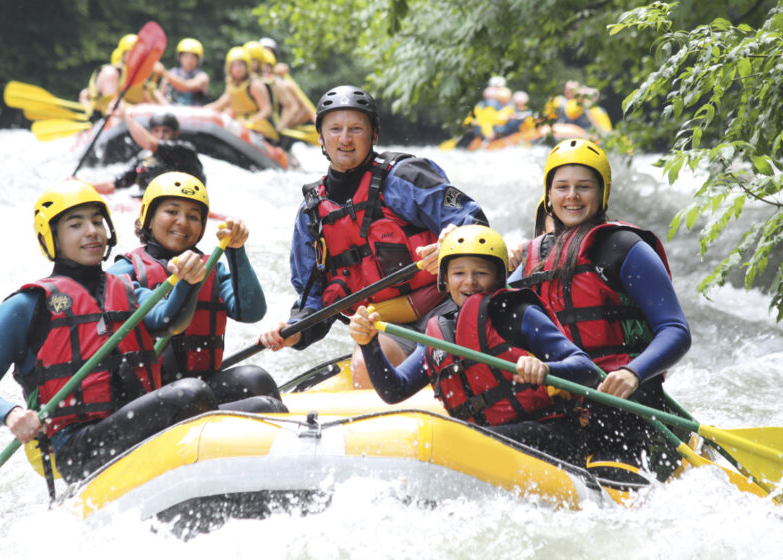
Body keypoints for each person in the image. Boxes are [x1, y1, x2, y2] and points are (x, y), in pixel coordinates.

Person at [0, 179, 215, 484]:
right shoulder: (27, 305)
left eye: (97, 221)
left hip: (138, 425)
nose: (92, 231)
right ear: (50, 237)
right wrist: (11, 414)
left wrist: (188, 282)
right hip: (79, 447)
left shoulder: (126, 290)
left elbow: (168, 322)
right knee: (190, 393)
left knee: (258, 388)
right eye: (75, 225)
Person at [258, 85, 488, 388]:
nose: (345, 139)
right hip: (386, 323)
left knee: (438, 348)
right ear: (320, 138)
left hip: (448, 306)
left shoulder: (405, 178)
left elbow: (473, 222)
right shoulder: (311, 214)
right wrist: (294, 331)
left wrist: (454, 238)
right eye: (335, 129)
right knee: (366, 366)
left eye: (356, 129)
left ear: (374, 135)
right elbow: (314, 300)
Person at [509, 138, 692, 482]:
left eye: (584, 186)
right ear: (548, 195)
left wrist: (633, 374)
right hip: (562, 397)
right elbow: (488, 310)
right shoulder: (531, 257)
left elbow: (676, 331)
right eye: (561, 187)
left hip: (624, 398)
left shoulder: (625, 248)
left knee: (608, 464)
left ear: (602, 193)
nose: (572, 196)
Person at [348, 225, 600, 465]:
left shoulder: (518, 313)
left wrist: (546, 369)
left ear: (499, 278)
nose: (469, 282)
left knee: (452, 438)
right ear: (444, 281)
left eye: (481, 273)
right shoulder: (440, 334)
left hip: (549, 434)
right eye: (458, 273)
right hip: (484, 441)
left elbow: (586, 369)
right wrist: (369, 344)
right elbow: (394, 390)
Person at [108, 172, 285, 408]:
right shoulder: (123, 271)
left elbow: (251, 311)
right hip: (147, 399)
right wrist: (186, 282)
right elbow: (164, 321)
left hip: (199, 386)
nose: (183, 222)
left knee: (256, 380)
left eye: (193, 216)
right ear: (148, 218)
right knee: (254, 406)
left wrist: (236, 251)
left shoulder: (211, 268)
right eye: (171, 212)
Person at [91, 106, 204, 195]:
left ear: (176, 133)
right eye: (156, 131)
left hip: (180, 199)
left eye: (166, 131)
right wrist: (84, 185)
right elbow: (114, 185)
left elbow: (150, 144)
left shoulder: (185, 150)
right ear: (151, 132)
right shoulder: (144, 156)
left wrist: (125, 116)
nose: (160, 135)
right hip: (149, 199)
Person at [205, 47, 278, 143]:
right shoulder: (232, 86)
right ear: (229, 69)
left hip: (258, 127)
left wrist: (250, 122)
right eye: (234, 66)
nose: (237, 69)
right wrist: (201, 110)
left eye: (240, 65)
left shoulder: (254, 85)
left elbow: (267, 110)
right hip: (240, 124)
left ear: (247, 66)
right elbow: (219, 104)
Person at [79, 33, 162, 115]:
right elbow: (111, 107)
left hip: (131, 119)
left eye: (141, 54)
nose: (138, 57)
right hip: (104, 121)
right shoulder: (111, 73)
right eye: (133, 52)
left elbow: (156, 104)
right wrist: (146, 110)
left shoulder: (140, 78)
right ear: (123, 54)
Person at [158, 38, 210, 106]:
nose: (189, 60)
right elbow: (161, 96)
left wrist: (163, 73)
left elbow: (186, 86)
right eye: (186, 56)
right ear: (180, 57)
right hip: (172, 113)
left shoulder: (202, 77)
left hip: (194, 115)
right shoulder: (171, 73)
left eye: (193, 57)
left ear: (198, 59)